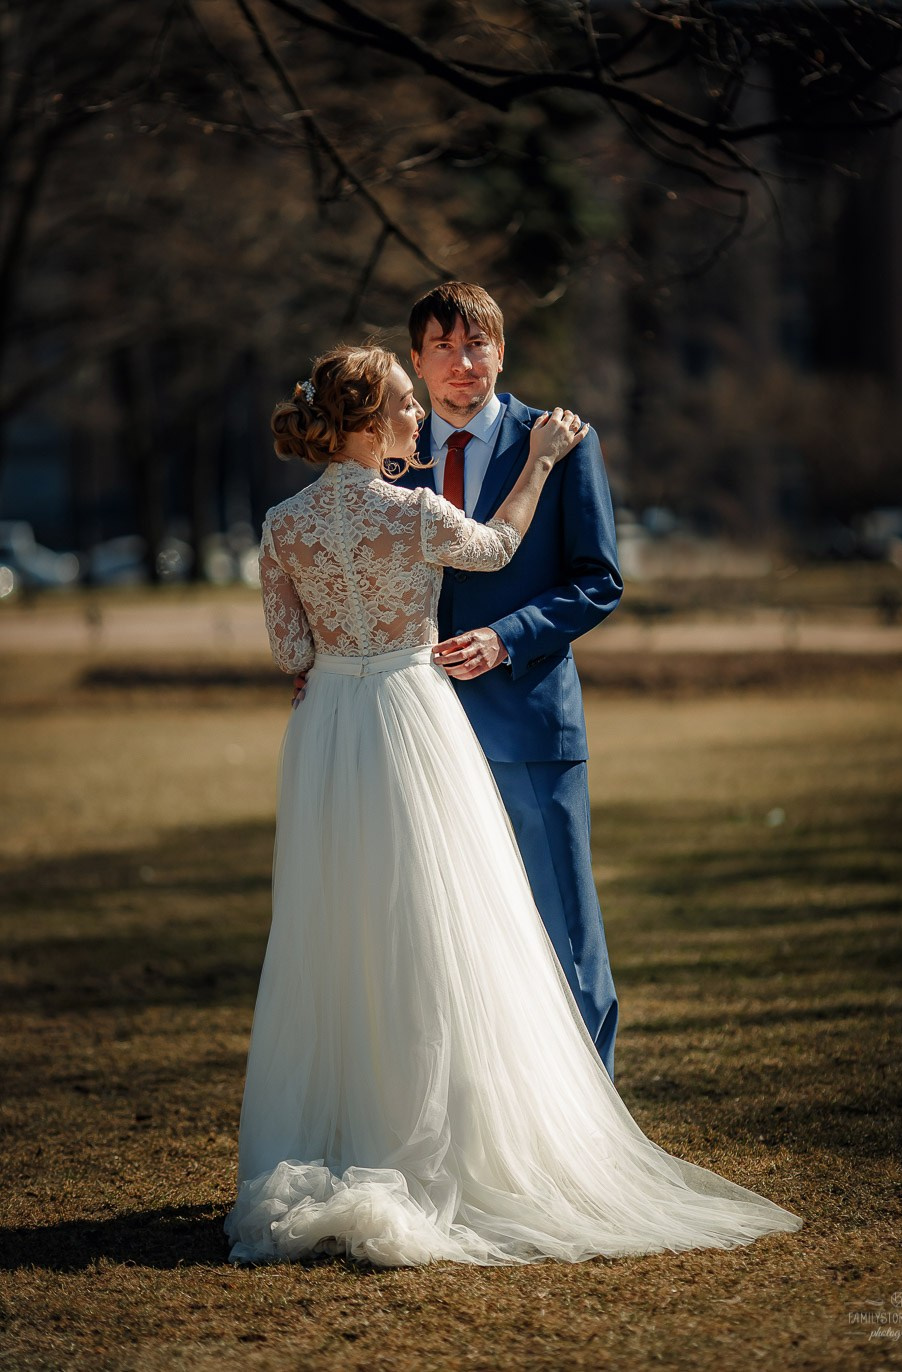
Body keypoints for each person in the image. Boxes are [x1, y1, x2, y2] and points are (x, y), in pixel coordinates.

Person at [223, 342, 802, 1267]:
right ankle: (437, 1135)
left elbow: (289, 650)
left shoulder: (283, 523)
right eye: (408, 406)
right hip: (412, 716)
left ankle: (340, 1132)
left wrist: (332, 666)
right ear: (371, 420)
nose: (421, 419)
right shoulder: (413, 511)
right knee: (440, 919)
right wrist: (536, 463)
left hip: (329, 729)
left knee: (337, 925)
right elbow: (496, 548)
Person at [399, 281, 622, 1077]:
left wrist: (506, 637)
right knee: (441, 939)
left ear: (502, 349)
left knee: (563, 931)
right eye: (445, 347)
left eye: (479, 344)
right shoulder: (389, 449)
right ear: (417, 361)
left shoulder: (561, 442)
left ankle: (592, 1124)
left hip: (531, 726)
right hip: (415, 731)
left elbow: (599, 578)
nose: (465, 363)